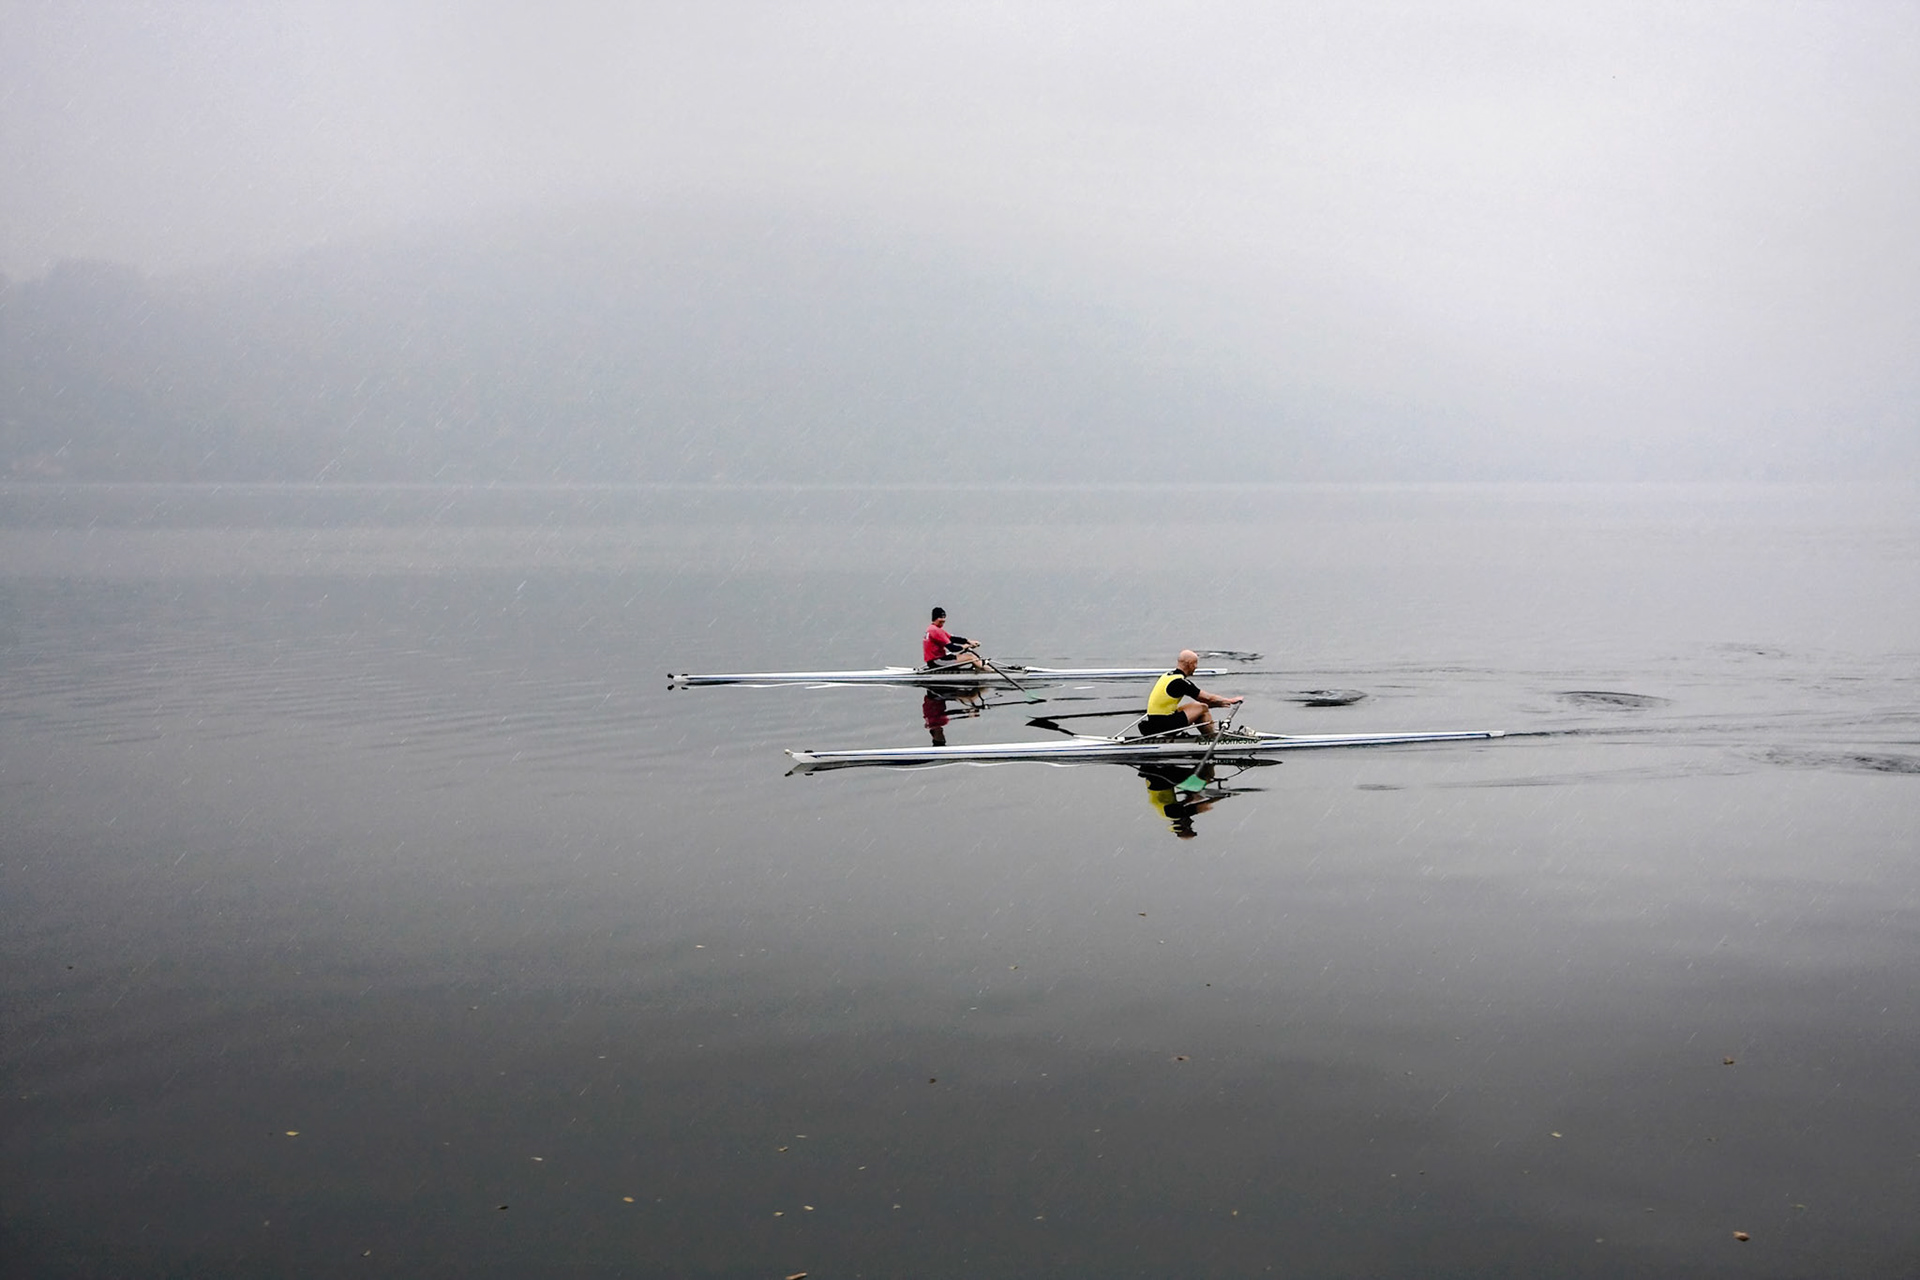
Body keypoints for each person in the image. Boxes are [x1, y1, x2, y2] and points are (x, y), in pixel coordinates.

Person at [1139, 650, 1243, 738]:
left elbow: (1208, 701)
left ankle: (1210, 736)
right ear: (1189, 664)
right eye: (1195, 663)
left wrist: (1219, 704)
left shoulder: (1167, 676)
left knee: (1199, 707)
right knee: (1202, 707)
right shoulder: (1180, 682)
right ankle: (1212, 739)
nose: (1196, 667)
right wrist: (1230, 700)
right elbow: (1207, 698)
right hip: (1165, 724)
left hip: (1154, 721)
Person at [923, 607, 986, 671]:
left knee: (970, 656)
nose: (943, 620)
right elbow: (953, 648)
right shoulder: (936, 631)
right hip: (937, 662)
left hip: (938, 659)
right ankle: (989, 672)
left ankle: (984, 669)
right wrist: (966, 646)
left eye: (944, 617)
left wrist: (969, 641)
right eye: (941, 617)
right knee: (971, 657)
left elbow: (952, 639)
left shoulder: (932, 628)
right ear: (935, 618)